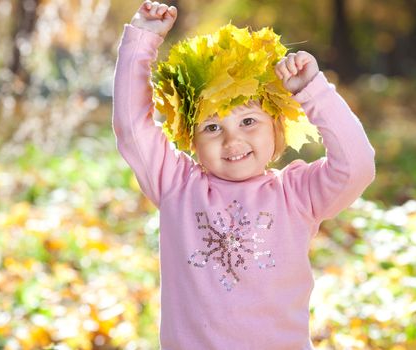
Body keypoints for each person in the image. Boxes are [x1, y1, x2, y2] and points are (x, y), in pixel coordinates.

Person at [112, 1, 375, 348]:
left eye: (248, 121)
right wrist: (143, 38)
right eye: (211, 127)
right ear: (190, 137)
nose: (232, 139)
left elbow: (357, 165)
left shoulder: (296, 194)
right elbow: (133, 128)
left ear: (276, 127)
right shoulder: (176, 184)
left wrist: (313, 92)